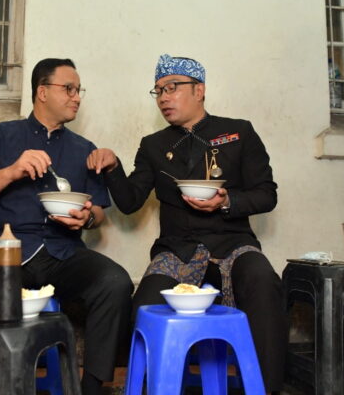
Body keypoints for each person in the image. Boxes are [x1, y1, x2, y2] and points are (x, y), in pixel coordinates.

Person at [86, 54, 287, 393]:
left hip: (233, 243)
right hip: (177, 250)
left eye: (172, 88)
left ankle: (267, 388)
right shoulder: (154, 145)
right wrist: (112, 167)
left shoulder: (238, 132)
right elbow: (130, 201)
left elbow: (267, 194)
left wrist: (226, 201)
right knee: (145, 305)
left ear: (200, 90)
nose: (164, 97)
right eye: (158, 91)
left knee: (264, 282)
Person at [0, 58, 134, 395]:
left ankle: (92, 385)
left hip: (62, 250)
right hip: (1, 250)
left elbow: (99, 211)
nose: (77, 97)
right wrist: (12, 171)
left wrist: (85, 218)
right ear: (42, 92)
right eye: (68, 88)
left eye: (78, 90)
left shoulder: (83, 149)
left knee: (115, 282)